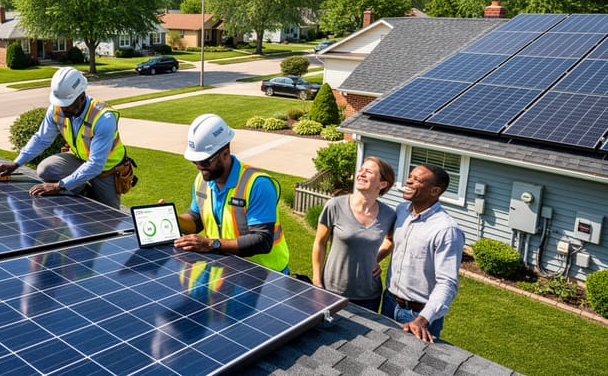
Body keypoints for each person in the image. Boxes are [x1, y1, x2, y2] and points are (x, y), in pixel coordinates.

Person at [0, 67, 131, 208]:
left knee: (109, 216)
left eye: (67, 104)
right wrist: (15, 164)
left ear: (82, 97)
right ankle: (84, 193)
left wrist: (59, 186)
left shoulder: (103, 118)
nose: (63, 109)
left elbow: (96, 164)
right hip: (79, 159)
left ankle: (89, 192)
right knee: (46, 169)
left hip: (106, 170)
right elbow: (41, 139)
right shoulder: (56, 109)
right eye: (60, 103)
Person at [173, 113, 290, 273]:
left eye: (204, 161)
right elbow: (196, 220)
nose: (199, 167)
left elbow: (262, 240)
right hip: (229, 273)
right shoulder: (202, 181)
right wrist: (172, 218)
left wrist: (210, 244)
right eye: (195, 161)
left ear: (225, 153)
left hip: (267, 277)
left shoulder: (258, 185)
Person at [382, 163, 465, 343]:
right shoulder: (401, 210)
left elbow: (447, 283)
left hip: (418, 313)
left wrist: (422, 320)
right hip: (388, 302)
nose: (408, 181)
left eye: (416, 180)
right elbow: (390, 241)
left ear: (434, 191)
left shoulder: (446, 230)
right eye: (410, 176)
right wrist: (375, 260)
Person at [311, 156, 396, 312]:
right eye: (360, 170)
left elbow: (390, 240)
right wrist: (317, 282)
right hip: (332, 291)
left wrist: (375, 258)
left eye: (368, 172)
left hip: (369, 296)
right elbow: (320, 243)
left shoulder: (388, 215)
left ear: (382, 184)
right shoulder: (335, 206)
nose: (361, 174)